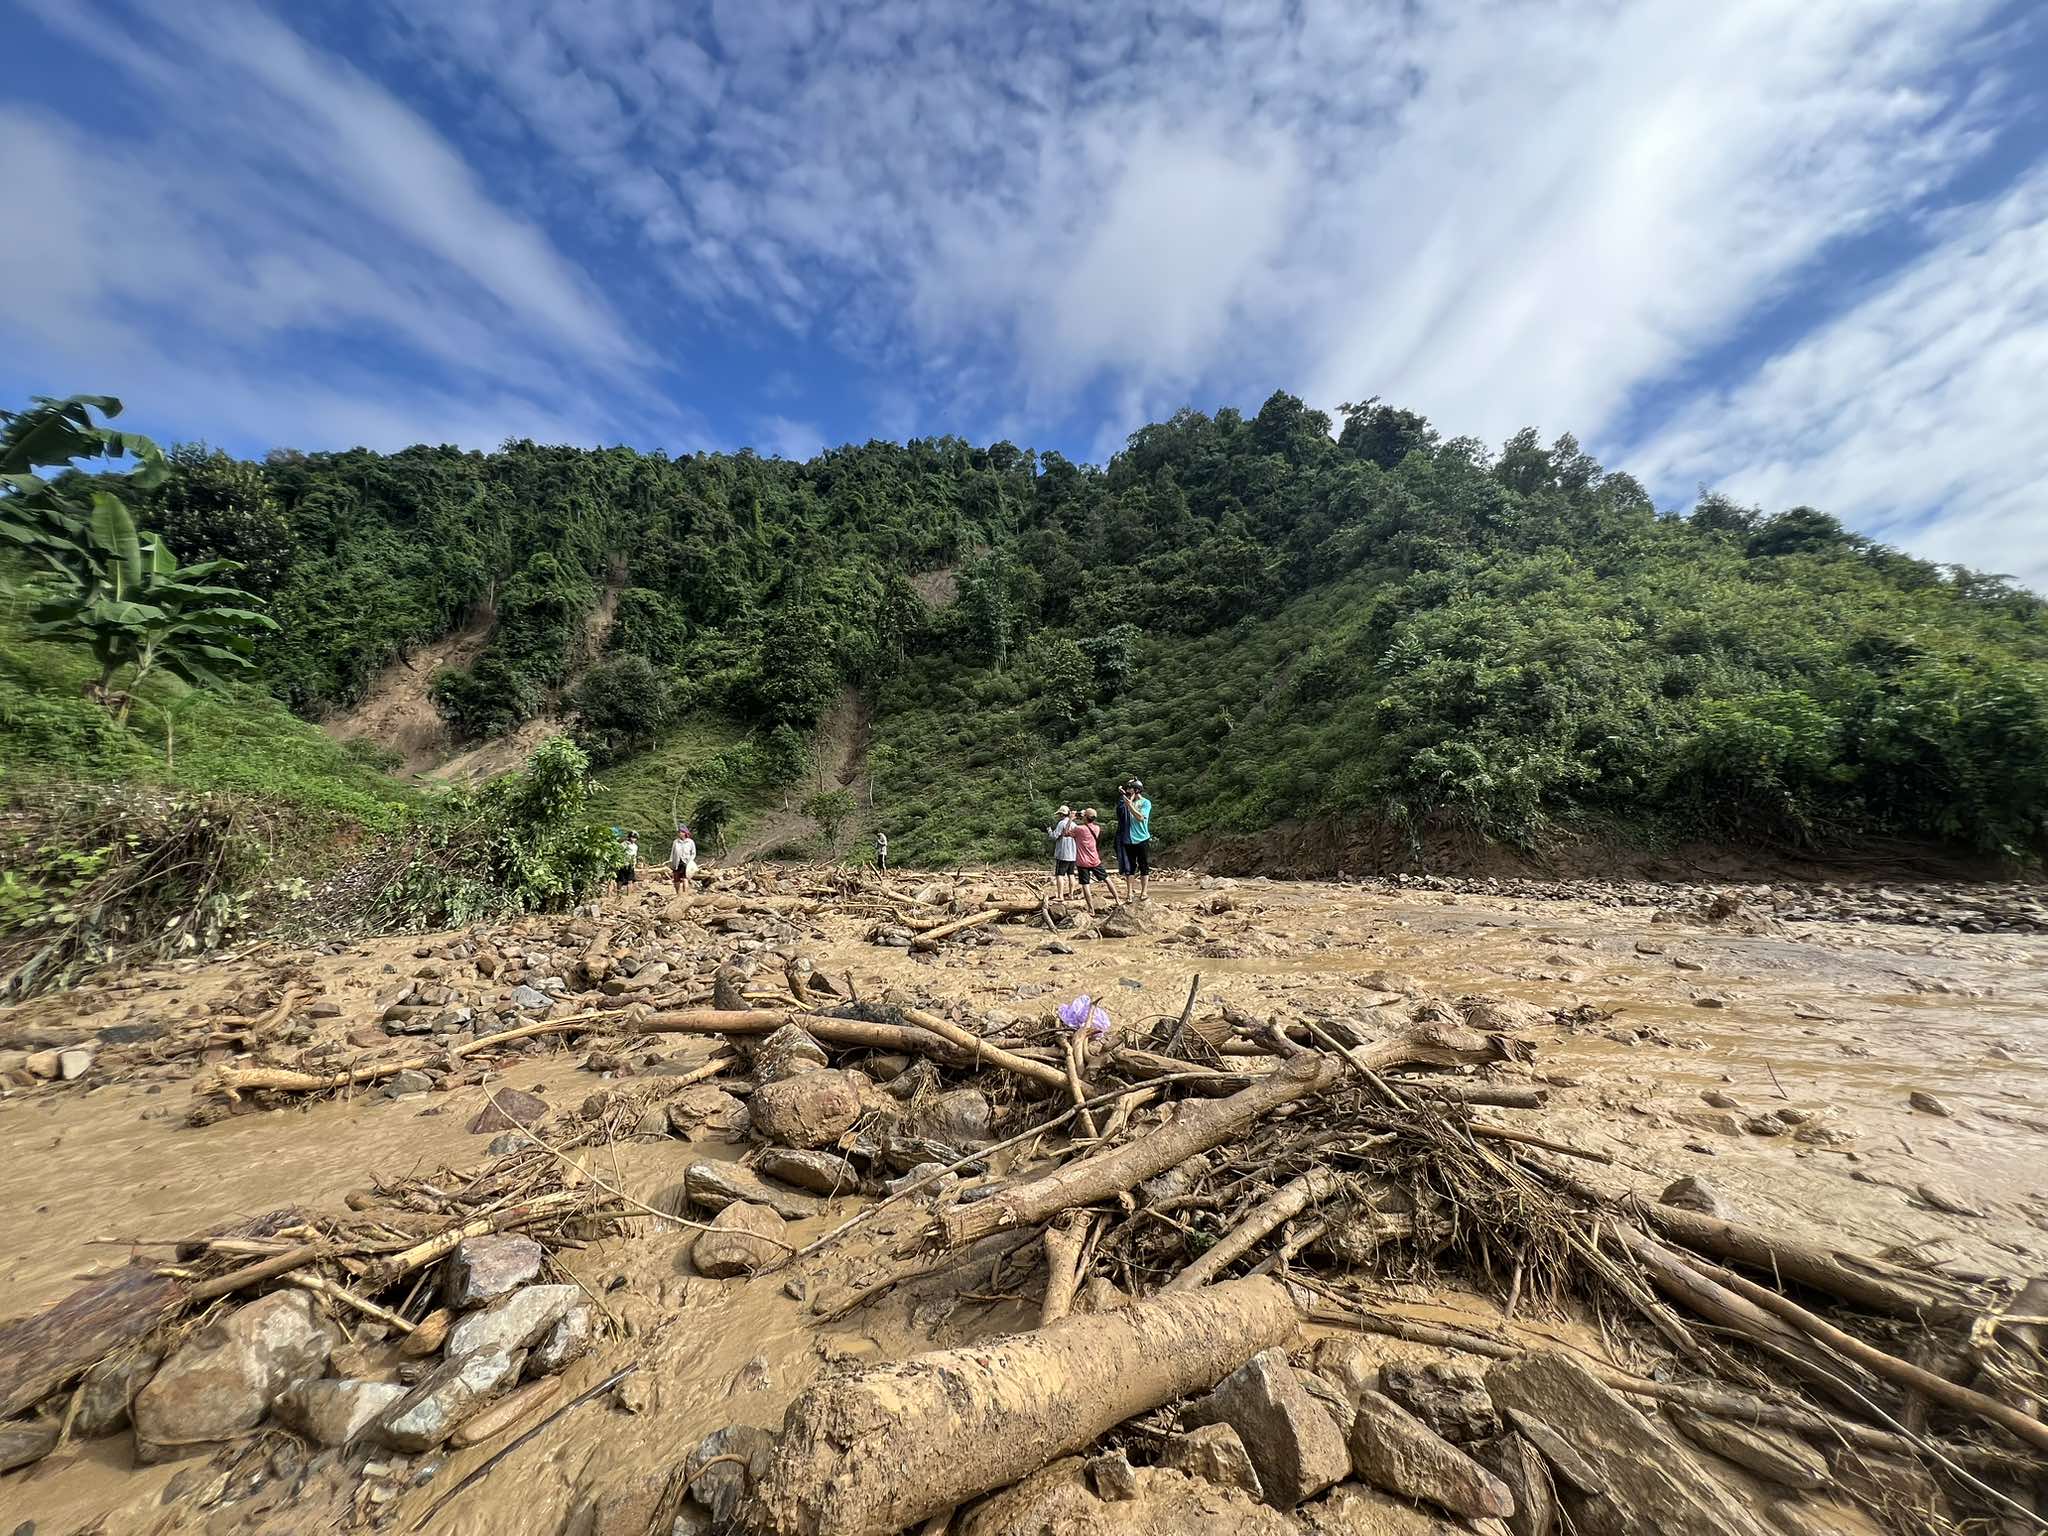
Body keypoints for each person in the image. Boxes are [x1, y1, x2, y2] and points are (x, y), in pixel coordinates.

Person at [1071, 807, 1121, 910]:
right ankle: (1117, 899)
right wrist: (1084, 817)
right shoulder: (1096, 828)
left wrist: (1071, 818)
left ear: (1085, 817)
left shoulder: (1079, 829)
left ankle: (1091, 909)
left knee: (1085, 884)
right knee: (1107, 879)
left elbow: (1066, 832)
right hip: (1094, 860)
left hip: (1082, 862)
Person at [1122, 780, 1152, 900]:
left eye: (1130, 789)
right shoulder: (1126, 802)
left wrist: (1130, 805)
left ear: (1136, 790)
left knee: (1143, 865)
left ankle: (1144, 892)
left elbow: (1140, 818)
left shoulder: (1145, 803)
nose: (1128, 791)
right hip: (1128, 839)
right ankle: (1129, 893)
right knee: (1130, 867)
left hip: (1142, 838)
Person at [1047, 804, 1077, 899]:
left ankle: (1060, 895)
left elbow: (1054, 836)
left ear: (1061, 814)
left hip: (1063, 854)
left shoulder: (1061, 824)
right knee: (1071, 874)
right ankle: (1071, 894)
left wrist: (1049, 831)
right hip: (1073, 854)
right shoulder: (1074, 824)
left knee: (1059, 875)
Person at [1113, 781, 1136, 879]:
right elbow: (1121, 812)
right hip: (1126, 835)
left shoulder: (1141, 802)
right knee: (1128, 864)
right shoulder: (1123, 801)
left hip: (1132, 835)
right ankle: (1130, 890)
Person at [670, 825, 697, 893]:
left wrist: (690, 861)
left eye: (681, 832)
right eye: (679, 832)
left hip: (686, 863)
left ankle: (685, 894)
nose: (680, 833)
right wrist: (671, 861)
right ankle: (678, 894)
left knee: (685, 879)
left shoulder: (690, 842)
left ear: (685, 833)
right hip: (676, 862)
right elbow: (672, 852)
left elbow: (693, 853)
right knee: (676, 879)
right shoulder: (675, 842)